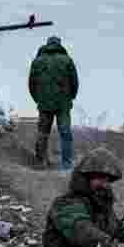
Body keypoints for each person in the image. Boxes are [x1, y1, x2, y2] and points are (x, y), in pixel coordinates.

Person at [28, 35, 79, 171]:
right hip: (63, 103)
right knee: (65, 132)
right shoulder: (67, 60)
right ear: (59, 44)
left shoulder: (37, 61)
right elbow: (74, 82)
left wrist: (38, 99)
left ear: (47, 44)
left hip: (44, 103)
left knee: (43, 132)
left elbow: (31, 84)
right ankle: (66, 164)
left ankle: (40, 162)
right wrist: (71, 97)